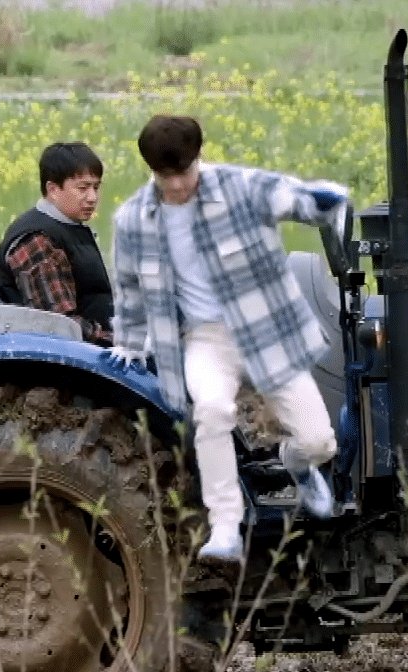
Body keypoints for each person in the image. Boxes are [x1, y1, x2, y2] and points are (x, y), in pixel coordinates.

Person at [106, 114, 349, 563]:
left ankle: (296, 463)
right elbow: (130, 289)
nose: (177, 186)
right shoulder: (133, 220)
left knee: (319, 441)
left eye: (184, 173)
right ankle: (224, 527)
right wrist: (130, 342)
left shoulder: (238, 187)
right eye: (166, 176)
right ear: (152, 171)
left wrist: (324, 200)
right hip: (205, 339)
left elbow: (289, 196)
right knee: (213, 411)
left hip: (264, 329)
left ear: (198, 159)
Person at [0, 141, 114, 346]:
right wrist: (122, 342)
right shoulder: (38, 241)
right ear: (53, 189)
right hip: (77, 360)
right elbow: (60, 324)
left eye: (96, 187)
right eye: (82, 188)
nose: (92, 197)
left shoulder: (68, 228)